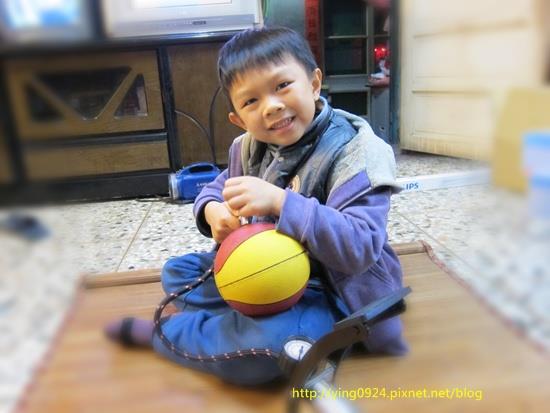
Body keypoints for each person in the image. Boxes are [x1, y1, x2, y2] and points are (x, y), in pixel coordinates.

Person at [105, 26, 406, 386]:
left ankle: (171, 333)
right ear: (238, 118)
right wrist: (213, 211)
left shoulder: (356, 152)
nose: (271, 106)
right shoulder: (250, 146)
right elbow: (216, 189)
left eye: (283, 85)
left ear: (314, 84)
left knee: (268, 353)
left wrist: (280, 201)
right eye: (251, 102)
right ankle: (244, 323)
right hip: (263, 270)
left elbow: (360, 247)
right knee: (177, 273)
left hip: (325, 290)